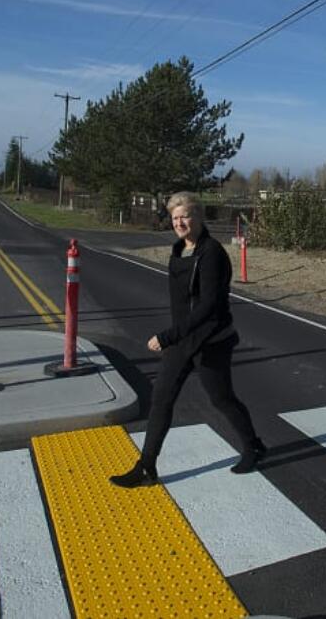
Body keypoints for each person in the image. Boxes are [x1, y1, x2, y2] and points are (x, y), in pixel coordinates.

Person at [110, 192, 265, 487]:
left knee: (221, 398)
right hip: (183, 340)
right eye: (175, 217)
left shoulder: (212, 254)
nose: (179, 222)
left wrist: (167, 336)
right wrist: (176, 337)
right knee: (161, 400)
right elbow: (182, 304)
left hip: (211, 340)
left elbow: (207, 307)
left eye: (185, 216)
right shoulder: (179, 250)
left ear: (198, 217)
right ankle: (146, 467)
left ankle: (254, 446)